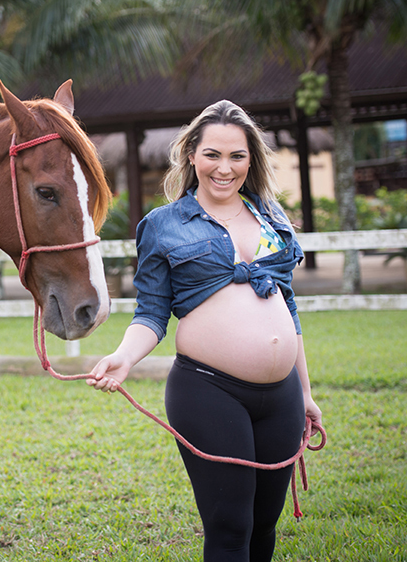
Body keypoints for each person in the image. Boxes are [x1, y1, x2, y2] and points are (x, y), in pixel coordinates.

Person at [87, 99, 322, 562]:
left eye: (237, 156)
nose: (224, 167)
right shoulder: (163, 225)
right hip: (208, 392)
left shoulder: (270, 216)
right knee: (230, 526)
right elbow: (152, 313)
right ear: (191, 154)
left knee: (263, 525)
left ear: (250, 160)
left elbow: (287, 309)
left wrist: (306, 392)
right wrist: (124, 357)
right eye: (212, 154)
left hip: (283, 396)